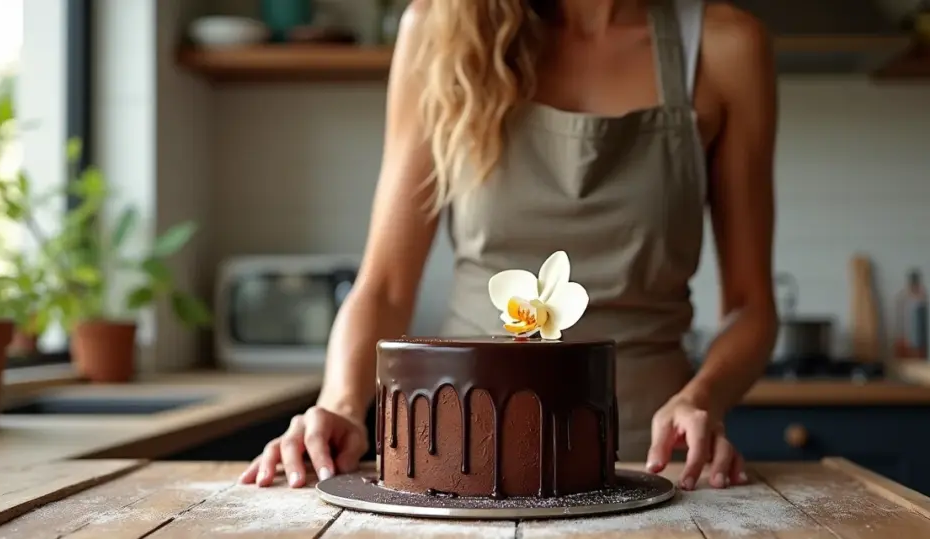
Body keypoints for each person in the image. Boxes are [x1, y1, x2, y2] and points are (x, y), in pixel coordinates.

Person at [240, 0, 778, 492]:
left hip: (651, 457)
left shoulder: (725, 47)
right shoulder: (439, 30)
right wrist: (339, 404)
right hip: (460, 452)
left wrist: (699, 398)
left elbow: (752, 308)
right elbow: (383, 287)